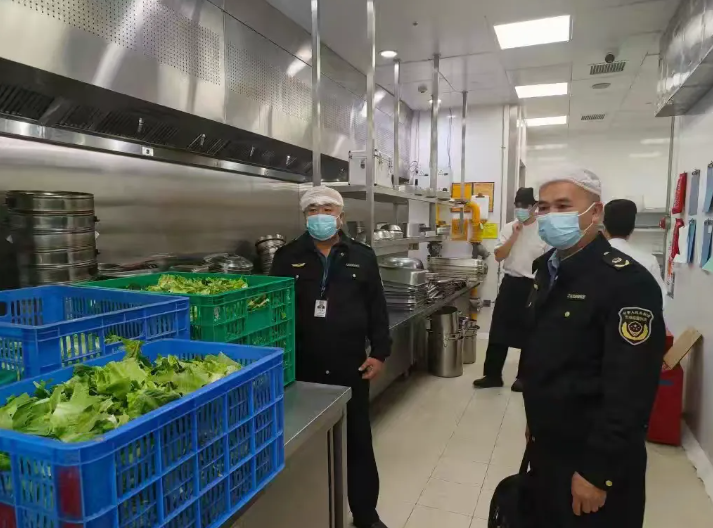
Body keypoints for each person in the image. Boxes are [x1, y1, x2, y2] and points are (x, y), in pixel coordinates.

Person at [521, 169, 665, 528]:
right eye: (544, 207)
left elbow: (631, 390)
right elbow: (545, 356)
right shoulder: (548, 271)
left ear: (595, 212)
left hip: (592, 459)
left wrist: (599, 472)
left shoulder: (627, 282)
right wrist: (534, 423)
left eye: (563, 206)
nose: (550, 216)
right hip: (549, 446)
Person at [271, 186, 391, 528]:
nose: (319, 215)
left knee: (358, 440)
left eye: (327, 209)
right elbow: (275, 309)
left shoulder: (362, 256)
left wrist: (380, 352)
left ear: (340, 216)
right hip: (301, 365)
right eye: (312, 210)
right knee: (304, 443)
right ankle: (305, 513)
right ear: (304, 216)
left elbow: (377, 307)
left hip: (350, 363)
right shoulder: (287, 256)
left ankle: (365, 513)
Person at [473, 187, 549, 392]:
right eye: (517, 205)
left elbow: (549, 260)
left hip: (533, 285)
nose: (520, 209)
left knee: (530, 332)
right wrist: (514, 236)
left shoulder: (544, 230)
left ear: (534, 206)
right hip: (510, 283)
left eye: (525, 205)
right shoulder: (508, 228)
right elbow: (499, 256)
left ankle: (524, 377)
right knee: (499, 329)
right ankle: (492, 375)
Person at [603, 199, 667, 310]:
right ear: (632, 228)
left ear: (604, 226)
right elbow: (661, 301)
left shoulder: (589, 258)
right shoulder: (648, 261)